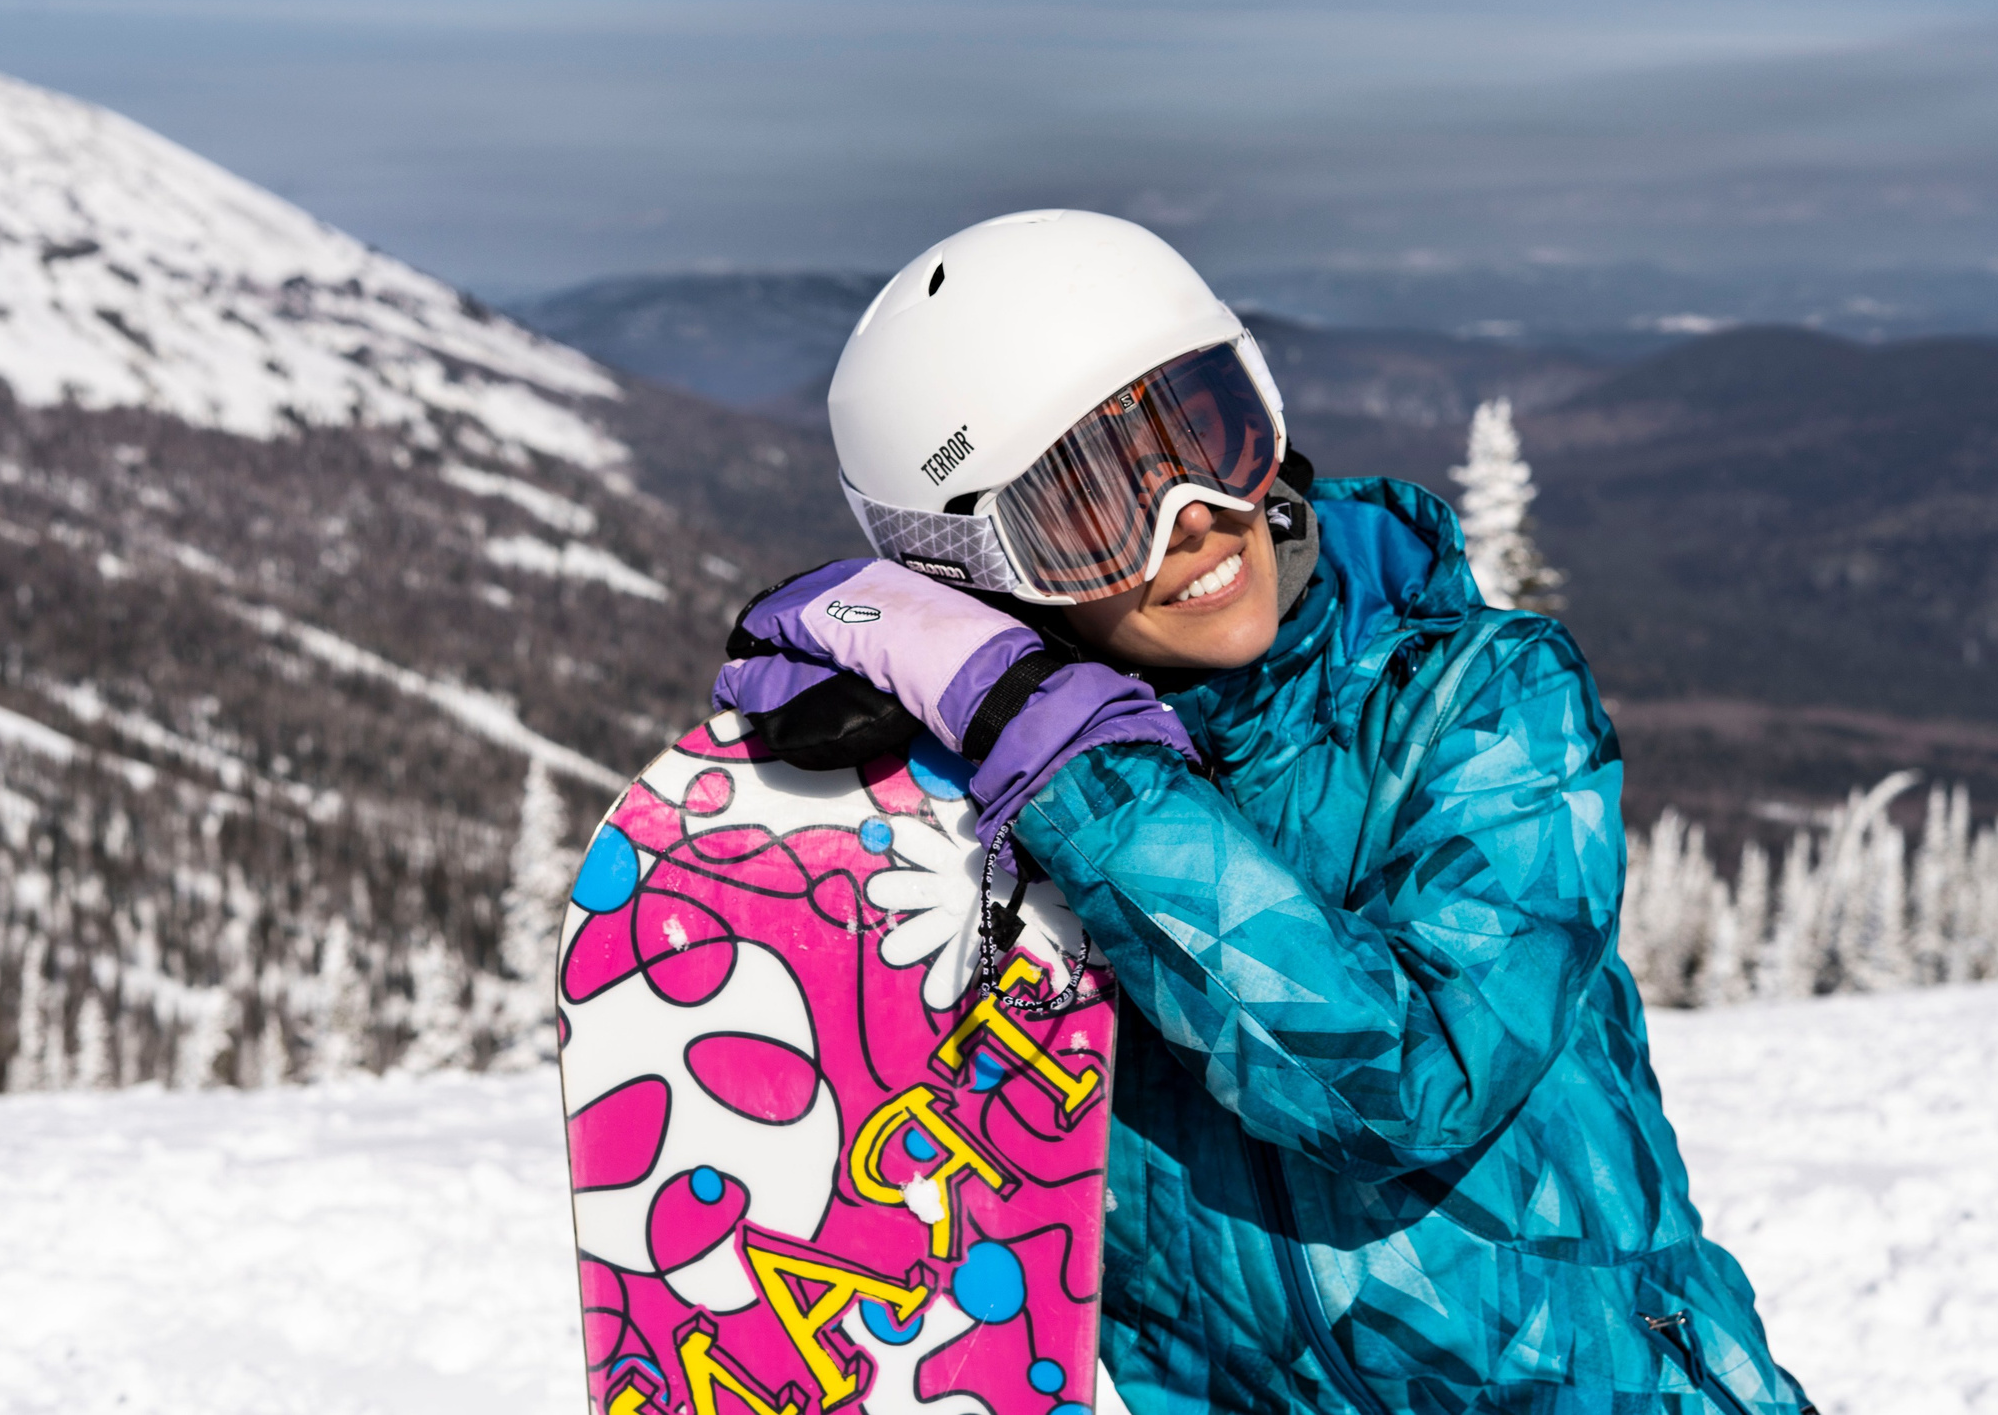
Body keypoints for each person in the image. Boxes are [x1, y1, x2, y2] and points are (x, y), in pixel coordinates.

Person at [714, 209, 1811, 1415]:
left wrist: (1082, 771)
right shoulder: (1003, 813)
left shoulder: (1481, 699)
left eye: (1203, 429)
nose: (1190, 513)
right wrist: (880, 780)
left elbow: (1407, 1083)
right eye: (1088, 501)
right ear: (972, 572)